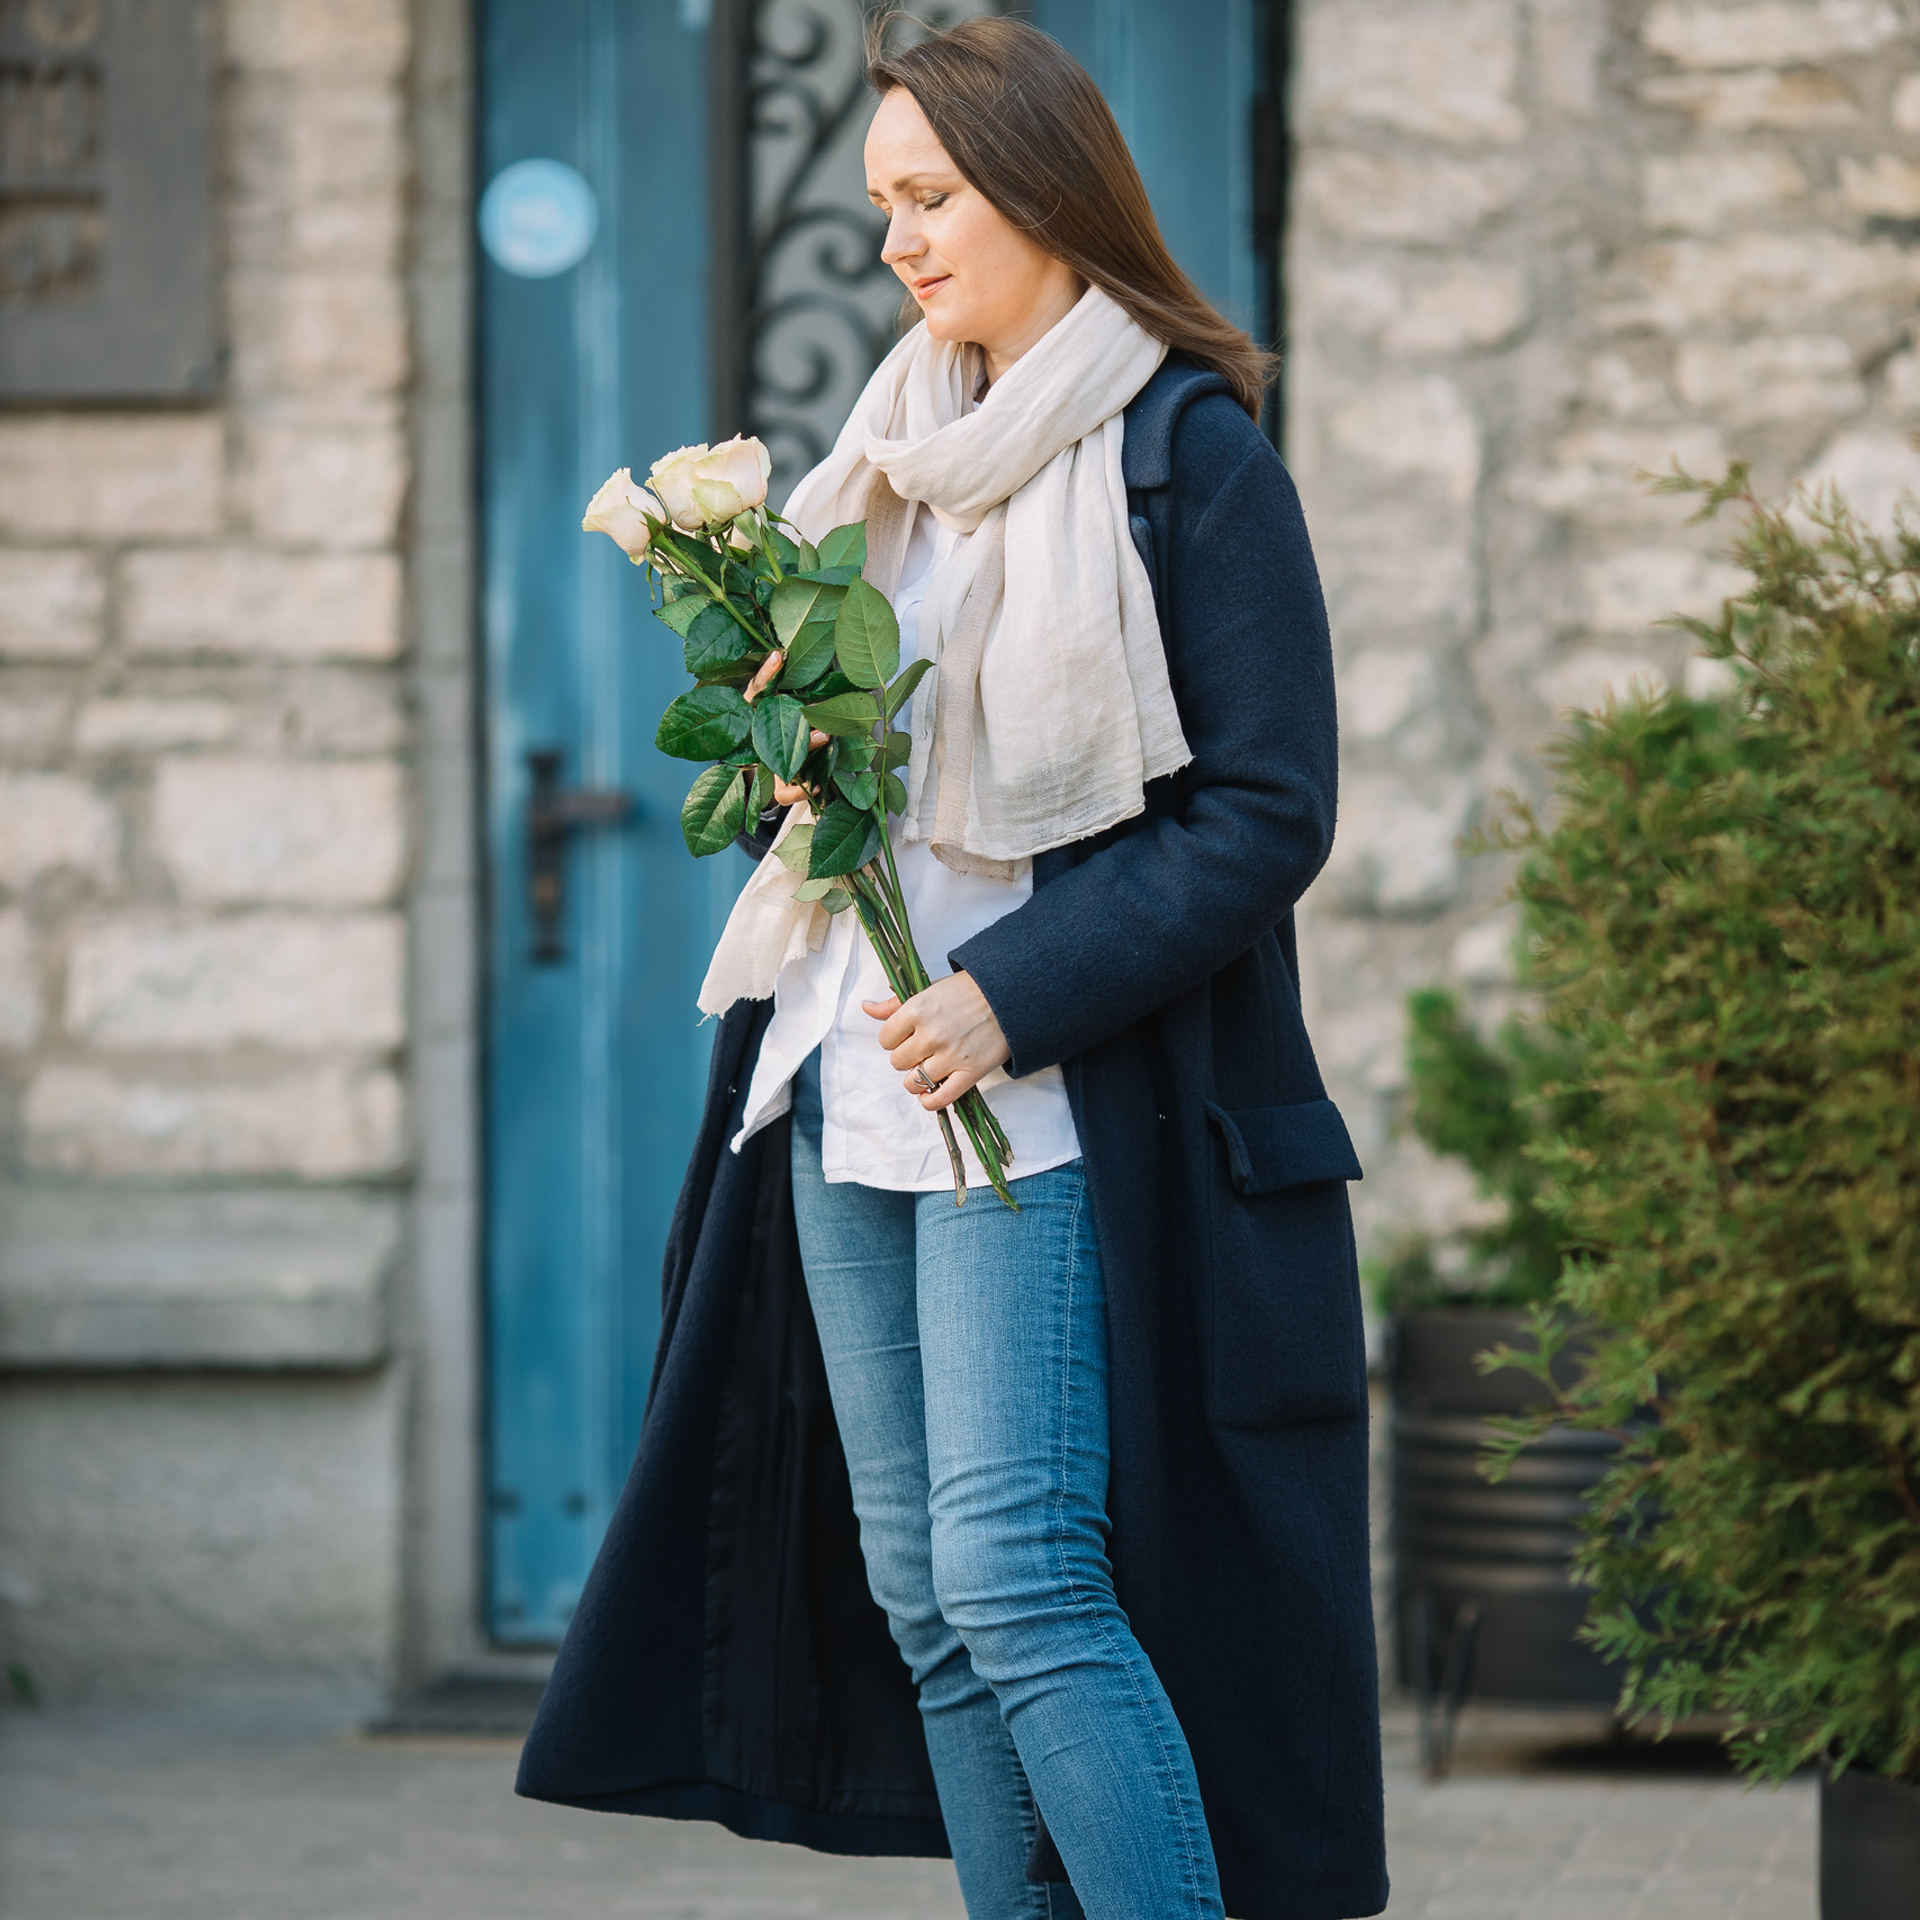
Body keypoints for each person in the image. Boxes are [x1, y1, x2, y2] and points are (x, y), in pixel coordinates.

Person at [518, 18, 1386, 1920]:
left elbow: (1265, 810)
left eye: (932, 195)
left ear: (1047, 189)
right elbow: (854, 817)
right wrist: (780, 759)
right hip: (847, 1074)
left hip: (1051, 1097)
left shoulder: (1189, 457)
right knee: (923, 1592)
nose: (899, 239)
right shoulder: (883, 460)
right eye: (880, 204)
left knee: (1020, 1576)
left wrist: (1019, 991)